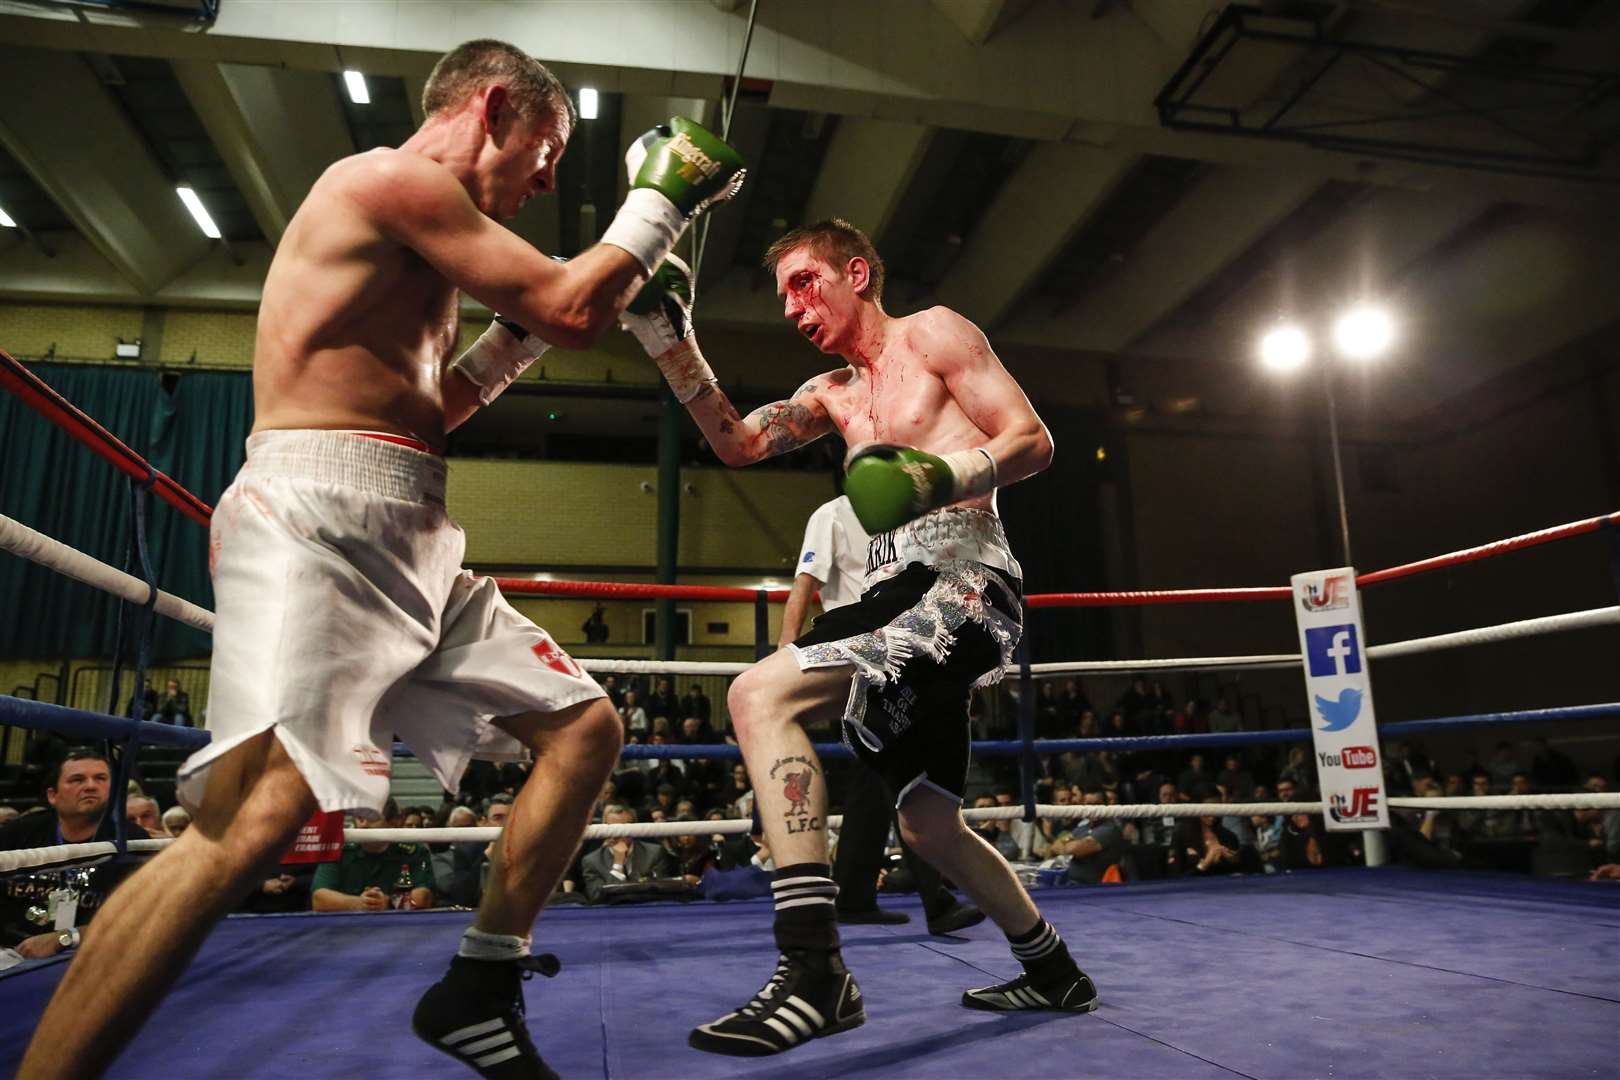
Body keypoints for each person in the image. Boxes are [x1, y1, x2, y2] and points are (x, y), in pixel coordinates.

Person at [16, 39, 744, 1080]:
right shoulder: (384, 179)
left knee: (585, 732)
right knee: (248, 820)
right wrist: (657, 203)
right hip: (316, 516)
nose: (546, 179)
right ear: (493, 104)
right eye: (548, 148)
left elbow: (432, 404)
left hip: (410, 529)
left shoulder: (424, 237)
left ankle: (479, 986)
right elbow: (577, 307)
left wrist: (529, 336)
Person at [620, 217, 1091, 1057]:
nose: (795, 307)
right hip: (893, 592)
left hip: (968, 584)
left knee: (757, 692)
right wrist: (671, 343)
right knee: (928, 828)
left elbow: (1033, 440)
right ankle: (1052, 968)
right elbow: (738, 442)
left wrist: (944, 474)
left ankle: (814, 971)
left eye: (807, 283)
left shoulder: (936, 334)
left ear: (858, 273)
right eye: (784, 297)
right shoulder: (829, 395)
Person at [783, 490, 982, 933]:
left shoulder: (909, 515)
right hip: (857, 651)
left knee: (876, 774)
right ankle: (937, 900)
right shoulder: (830, 514)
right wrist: (786, 655)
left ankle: (855, 893)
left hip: (906, 648)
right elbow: (804, 585)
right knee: (898, 766)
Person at [0, 750, 148, 962]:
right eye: (77, 779)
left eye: (100, 778)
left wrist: (67, 937)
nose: (90, 786)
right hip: (10, 951)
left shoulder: (133, 840)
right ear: (53, 796)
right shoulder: (20, 832)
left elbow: (139, 919)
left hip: (90, 954)